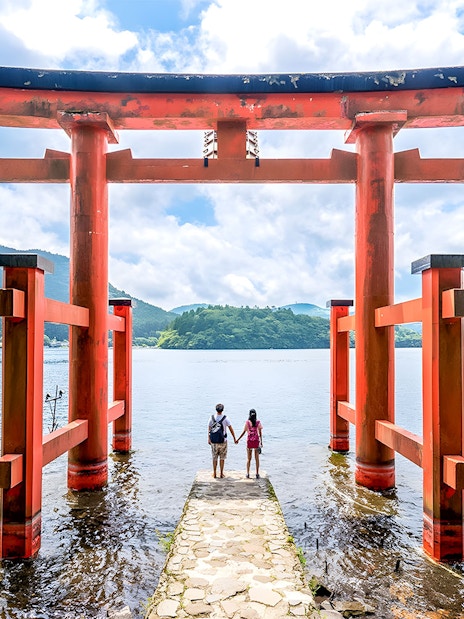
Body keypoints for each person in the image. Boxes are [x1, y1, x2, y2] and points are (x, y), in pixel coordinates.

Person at [208, 403, 237, 479]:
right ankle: (221, 473)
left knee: (214, 457)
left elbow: (209, 429)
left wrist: (209, 438)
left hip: (214, 441)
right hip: (223, 441)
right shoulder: (225, 418)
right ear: (222, 410)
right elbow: (231, 429)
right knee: (222, 457)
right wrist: (234, 438)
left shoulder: (212, 418)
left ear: (216, 409)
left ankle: (214, 473)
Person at [237, 408, 263, 479]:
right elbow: (260, 433)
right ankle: (257, 473)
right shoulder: (258, 422)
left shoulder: (247, 423)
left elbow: (243, 432)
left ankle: (248, 473)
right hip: (256, 442)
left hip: (249, 442)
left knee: (249, 458)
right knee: (257, 458)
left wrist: (238, 439)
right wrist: (261, 442)